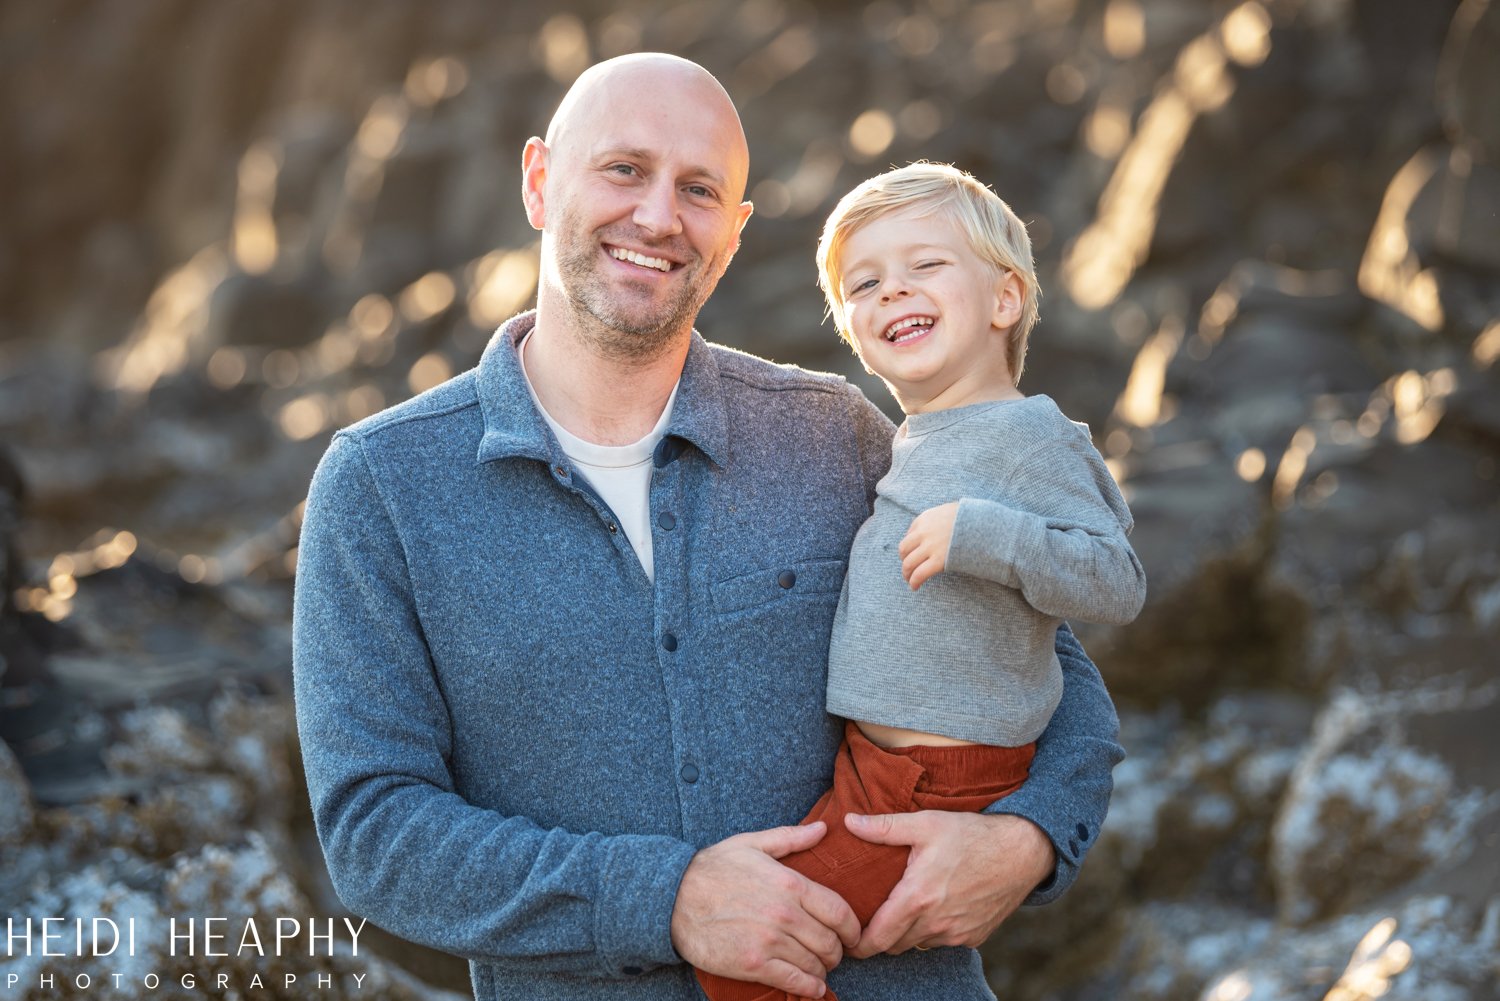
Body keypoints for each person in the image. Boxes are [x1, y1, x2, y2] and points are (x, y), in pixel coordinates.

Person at [292, 53, 1124, 1001]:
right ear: (537, 180)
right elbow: (374, 831)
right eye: (623, 170)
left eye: (698, 190)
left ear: (732, 235)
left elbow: (1048, 663)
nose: (657, 217)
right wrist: (666, 898)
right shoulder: (382, 487)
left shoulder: (834, 434)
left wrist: (1028, 838)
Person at [694, 163, 1146, 1001]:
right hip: (875, 766)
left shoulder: (1030, 435)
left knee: (749, 964)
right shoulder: (916, 436)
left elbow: (1115, 582)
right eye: (865, 283)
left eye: (925, 266)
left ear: (1004, 300)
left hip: (940, 775)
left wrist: (989, 536)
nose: (893, 290)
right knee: (786, 927)